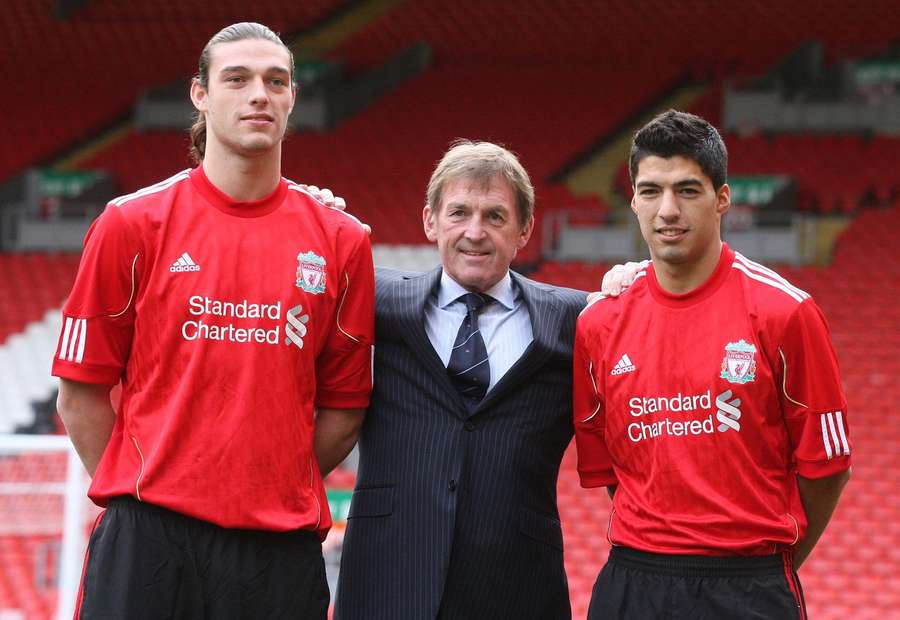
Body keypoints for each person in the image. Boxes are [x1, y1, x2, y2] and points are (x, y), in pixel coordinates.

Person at [52, 22, 374, 619]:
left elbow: (345, 411)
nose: (259, 94)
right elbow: (80, 395)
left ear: (292, 98)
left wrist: (265, 481)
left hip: (277, 550)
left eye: (276, 81)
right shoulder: (130, 224)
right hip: (150, 544)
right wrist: (151, 497)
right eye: (238, 79)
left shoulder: (341, 240)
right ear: (200, 94)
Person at [574, 110, 850, 619]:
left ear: (722, 198)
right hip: (634, 581)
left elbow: (828, 467)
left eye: (688, 190)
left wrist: (768, 566)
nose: (668, 210)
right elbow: (615, 472)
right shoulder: (598, 324)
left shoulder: (786, 312)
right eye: (651, 191)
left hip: (748, 583)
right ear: (632, 200)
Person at [335, 140, 585, 619]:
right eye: (459, 213)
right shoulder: (376, 301)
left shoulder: (575, 319)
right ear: (430, 221)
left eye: (495, 216)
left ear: (525, 229)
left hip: (517, 589)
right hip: (387, 584)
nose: (475, 231)